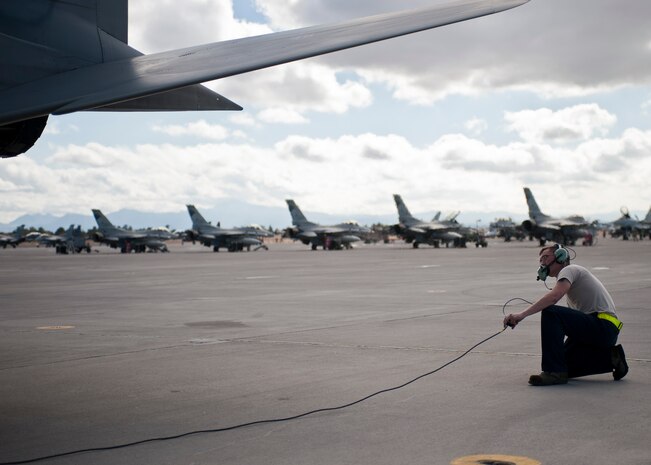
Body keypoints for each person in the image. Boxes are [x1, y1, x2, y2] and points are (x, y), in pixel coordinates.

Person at [503, 244, 629, 386]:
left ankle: (554, 373)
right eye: (540, 260)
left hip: (603, 326)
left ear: (560, 256)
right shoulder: (571, 288)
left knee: (551, 312)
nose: (542, 262)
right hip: (601, 331)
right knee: (562, 363)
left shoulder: (570, 269)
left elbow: (553, 297)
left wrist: (521, 315)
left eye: (545, 257)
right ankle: (612, 358)